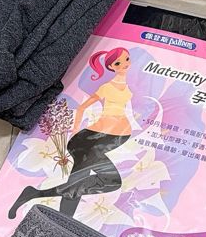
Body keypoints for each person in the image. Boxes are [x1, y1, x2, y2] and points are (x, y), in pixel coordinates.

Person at [9, 48, 134, 220]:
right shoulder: (107, 87)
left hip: (109, 136)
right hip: (91, 139)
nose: (124, 64)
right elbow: (82, 107)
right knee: (110, 181)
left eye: (127, 59)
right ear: (111, 66)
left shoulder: (125, 86)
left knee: (77, 183)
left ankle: (46, 206)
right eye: (118, 63)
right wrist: (75, 131)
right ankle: (43, 202)